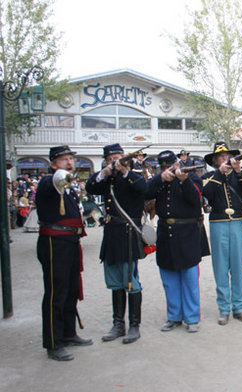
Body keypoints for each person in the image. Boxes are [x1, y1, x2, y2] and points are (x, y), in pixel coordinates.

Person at [86, 143, 147, 344]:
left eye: (118, 156)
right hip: (111, 234)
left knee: (130, 280)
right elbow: (90, 187)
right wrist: (104, 172)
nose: (115, 160)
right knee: (115, 281)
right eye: (111, 157)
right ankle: (118, 324)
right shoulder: (107, 179)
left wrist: (125, 171)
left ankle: (134, 325)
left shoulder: (133, 175)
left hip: (128, 233)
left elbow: (143, 189)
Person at [37, 145, 92, 361]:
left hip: (70, 241)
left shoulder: (68, 186)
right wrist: (63, 174)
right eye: (64, 159)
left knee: (70, 290)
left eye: (71, 159)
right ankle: (53, 342)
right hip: (54, 243)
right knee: (56, 293)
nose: (70, 162)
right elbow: (57, 180)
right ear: (52, 164)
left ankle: (69, 333)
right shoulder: (49, 181)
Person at [147, 150, 204, 332]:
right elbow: (145, 192)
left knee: (189, 279)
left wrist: (183, 180)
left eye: (169, 166)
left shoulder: (191, 177)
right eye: (163, 167)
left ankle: (192, 317)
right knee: (169, 279)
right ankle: (174, 316)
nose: (167, 169)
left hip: (186, 232)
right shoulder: (159, 181)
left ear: (177, 164)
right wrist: (161, 178)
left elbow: (195, 199)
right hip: (166, 232)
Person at [202, 142, 242, 325]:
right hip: (218, 224)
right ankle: (224, 308)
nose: (225, 158)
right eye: (221, 156)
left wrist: (239, 171)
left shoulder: (239, 174)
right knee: (221, 268)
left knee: (238, 267)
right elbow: (207, 193)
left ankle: (239, 307)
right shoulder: (210, 176)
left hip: (238, 222)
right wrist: (219, 173)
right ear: (215, 160)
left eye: (227, 155)